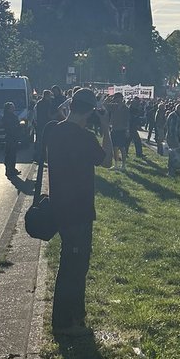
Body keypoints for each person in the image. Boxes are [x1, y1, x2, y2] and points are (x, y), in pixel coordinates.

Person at [44, 88, 113, 333]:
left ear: (72, 106)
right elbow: (107, 161)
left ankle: (72, 318)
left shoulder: (54, 130)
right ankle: (67, 322)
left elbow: (63, 114)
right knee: (75, 268)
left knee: (69, 263)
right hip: (79, 208)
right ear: (91, 112)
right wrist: (105, 127)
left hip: (59, 207)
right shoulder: (84, 138)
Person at [108, 92, 130, 171]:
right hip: (114, 129)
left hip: (122, 129)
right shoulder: (114, 106)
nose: (116, 100)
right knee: (114, 148)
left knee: (122, 148)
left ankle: (123, 165)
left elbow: (127, 120)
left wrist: (127, 130)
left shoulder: (126, 108)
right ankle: (116, 164)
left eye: (117, 98)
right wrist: (109, 98)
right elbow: (104, 104)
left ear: (121, 98)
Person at [2, 101, 21, 180]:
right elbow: (12, 127)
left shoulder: (9, 116)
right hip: (11, 137)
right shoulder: (9, 117)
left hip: (12, 137)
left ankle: (11, 169)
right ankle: (10, 169)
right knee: (11, 154)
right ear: (8, 109)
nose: (14, 108)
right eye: (12, 107)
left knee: (10, 154)